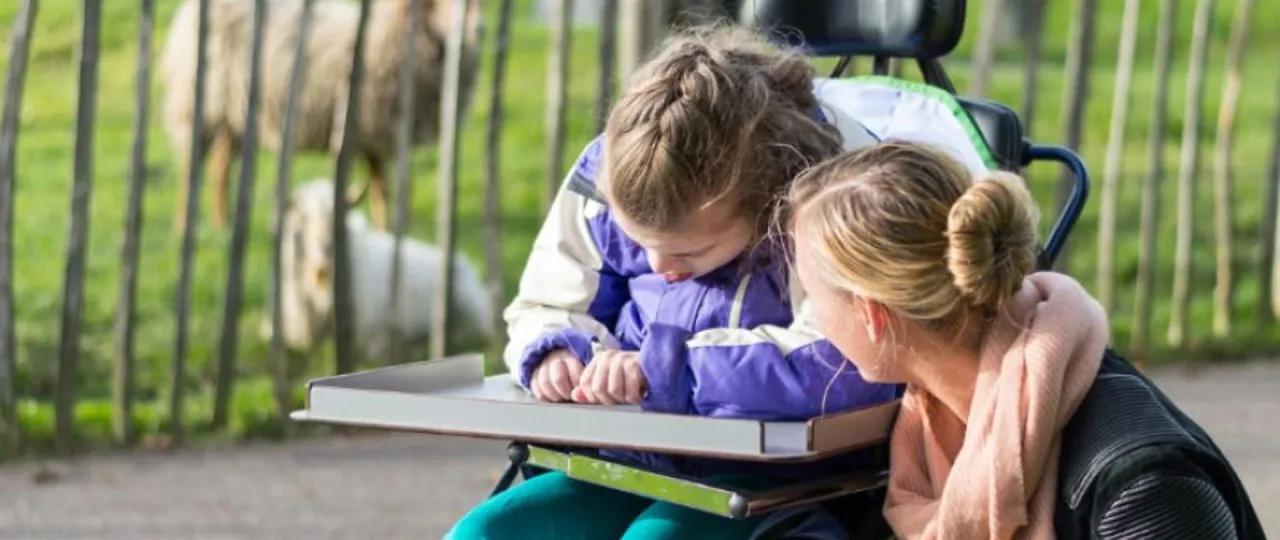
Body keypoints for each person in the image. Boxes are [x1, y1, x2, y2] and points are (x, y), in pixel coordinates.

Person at [441, 22, 1003, 539]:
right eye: (640, 244)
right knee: (485, 532)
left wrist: (664, 369)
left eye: (689, 249)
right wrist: (556, 351)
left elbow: (847, 363)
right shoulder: (621, 166)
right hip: (632, 459)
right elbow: (548, 295)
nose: (659, 265)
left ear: (765, 203)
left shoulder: (831, 196)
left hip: (780, 482)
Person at [767, 140, 1265, 539]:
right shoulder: (930, 435)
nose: (808, 316)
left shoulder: (1139, 483)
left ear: (872, 316)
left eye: (811, 294)